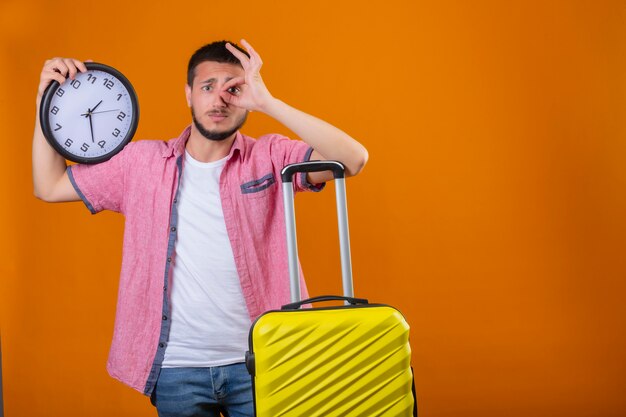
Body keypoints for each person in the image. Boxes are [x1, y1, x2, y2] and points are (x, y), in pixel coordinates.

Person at [32, 39, 368, 417]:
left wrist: (268, 102)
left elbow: (352, 159)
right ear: (188, 94)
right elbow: (49, 186)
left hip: (263, 362)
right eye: (208, 87)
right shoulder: (141, 164)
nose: (220, 99)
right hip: (177, 369)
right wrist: (47, 101)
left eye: (234, 89)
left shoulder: (270, 157)